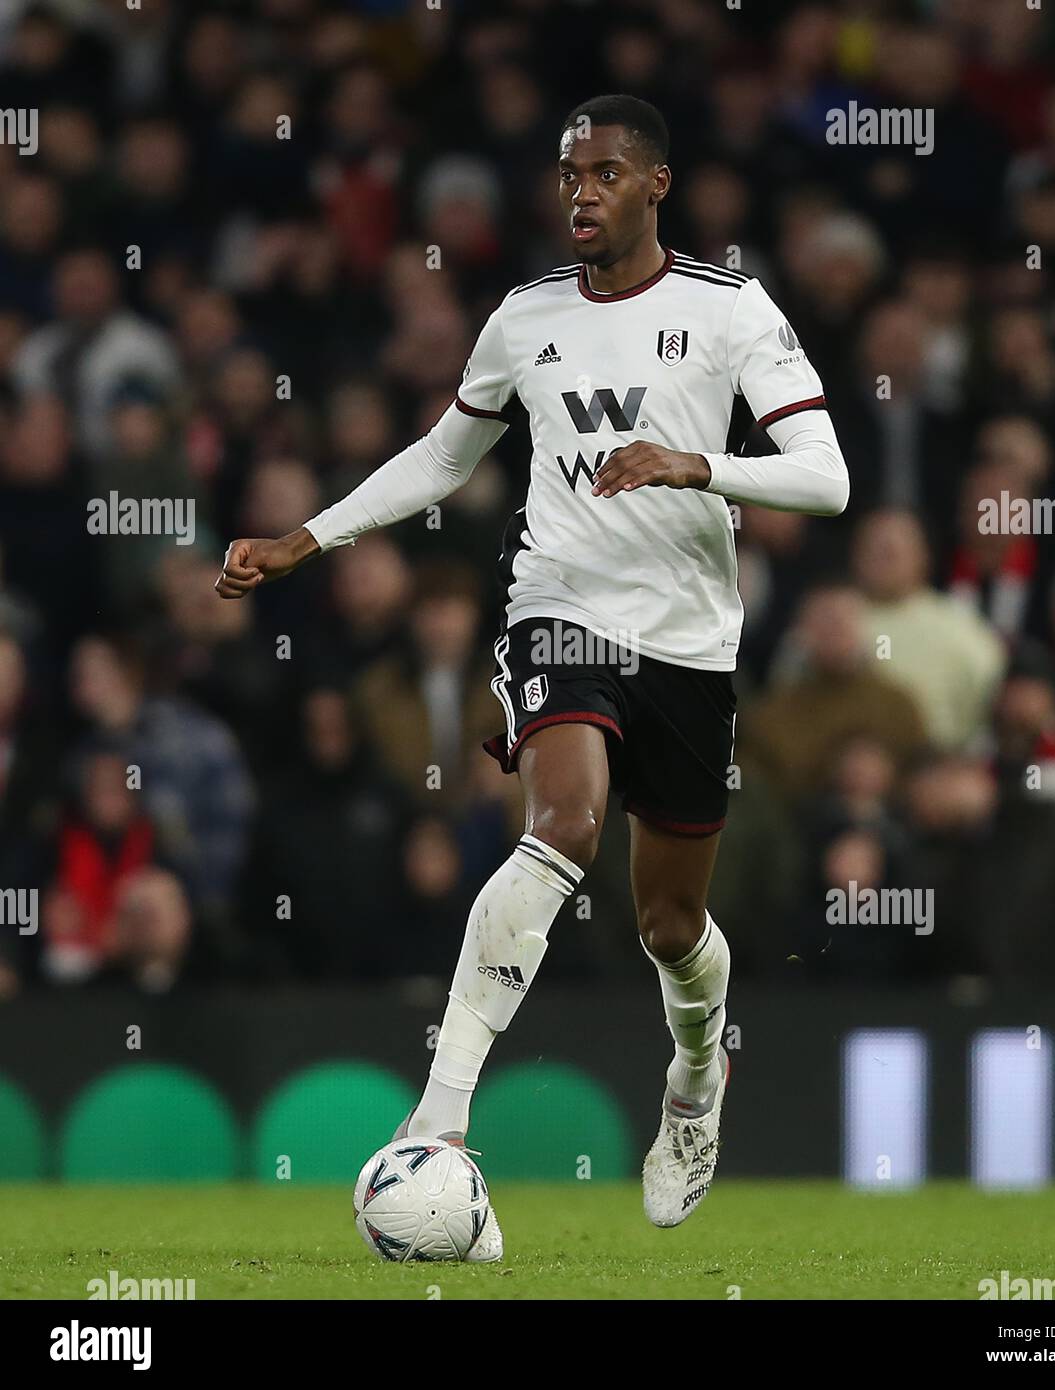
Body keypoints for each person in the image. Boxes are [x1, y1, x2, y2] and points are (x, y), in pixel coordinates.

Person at [215, 94, 848, 1256]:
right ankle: (442, 1115)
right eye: (568, 175)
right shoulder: (524, 317)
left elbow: (826, 477)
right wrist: (308, 535)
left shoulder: (729, 310)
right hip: (558, 606)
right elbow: (449, 453)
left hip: (692, 644)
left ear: (656, 184)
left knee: (669, 925)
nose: (582, 193)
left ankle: (695, 1084)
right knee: (561, 823)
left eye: (605, 172)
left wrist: (697, 465)